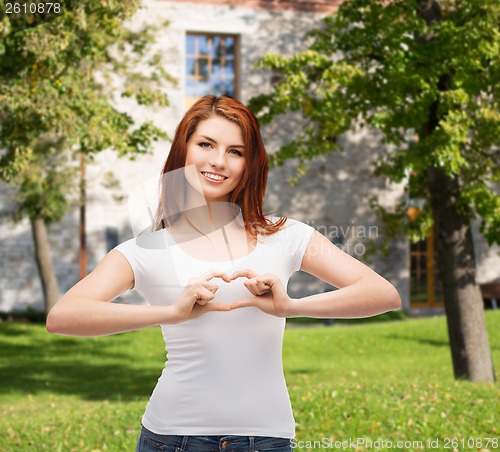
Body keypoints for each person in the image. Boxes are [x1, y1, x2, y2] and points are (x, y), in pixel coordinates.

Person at [47, 95, 401, 452]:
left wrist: (289, 307)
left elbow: (382, 293)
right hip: (173, 438)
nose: (218, 161)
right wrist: (171, 313)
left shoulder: (286, 235)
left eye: (236, 151)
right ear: (183, 151)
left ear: (251, 163)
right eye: (206, 144)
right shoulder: (145, 250)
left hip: (267, 438)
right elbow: (63, 316)